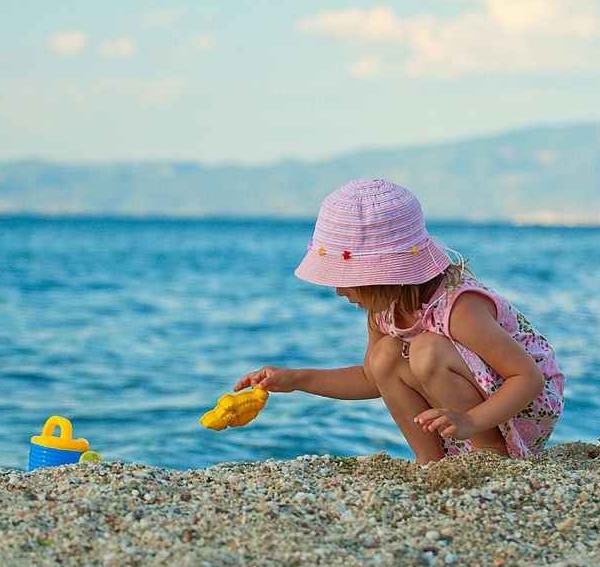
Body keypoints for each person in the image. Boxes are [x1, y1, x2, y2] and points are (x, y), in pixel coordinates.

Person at [234, 178, 564, 463]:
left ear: (386, 277)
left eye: (346, 278)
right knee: (384, 356)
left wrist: (470, 421)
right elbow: (370, 378)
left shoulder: (460, 307)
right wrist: (295, 379)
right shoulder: (383, 312)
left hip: (522, 406)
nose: (337, 290)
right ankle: (430, 459)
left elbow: (527, 378)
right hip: (472, 406)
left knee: (426, 350)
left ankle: (491, 455)